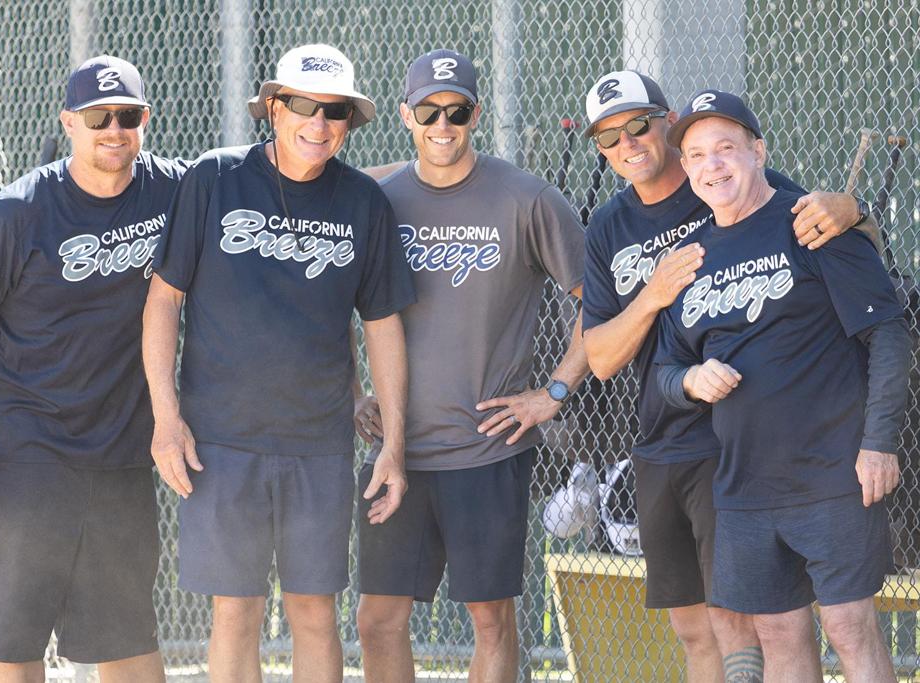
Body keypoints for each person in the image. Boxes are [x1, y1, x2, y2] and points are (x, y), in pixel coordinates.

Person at [580, 70, 877, 682]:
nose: (628, 143)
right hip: (662, 434)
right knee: (696, 628)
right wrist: (653, 294)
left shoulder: (725, 177)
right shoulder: (609, 225)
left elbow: (834, 229)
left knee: (758, 624)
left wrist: (855, 206)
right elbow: (602, 358)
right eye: (609, 137)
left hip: (734, 444)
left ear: (667, 123)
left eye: (639, 125)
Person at [142, 44, 415, 683]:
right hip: (220, 441)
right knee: (235, 612)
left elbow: (382, 327)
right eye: (302, 106)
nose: (318, 123)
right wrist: (166, 419)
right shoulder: (214, 179)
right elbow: (163, 301)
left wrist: (394, 446)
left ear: (348, 121)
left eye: (334, 111)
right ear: (272, 107)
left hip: (318, 444)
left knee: (314, 613)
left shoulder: (363, 203)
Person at [0, 55, 182, 682]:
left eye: (127, 116)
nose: (113, 130)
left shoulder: (173, 190)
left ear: (145, 120)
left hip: (119, 459)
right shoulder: (17, 213)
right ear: (69, 122)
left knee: (127, 641)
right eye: (97, 117)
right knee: (11, 645)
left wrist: (403, 179)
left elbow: (270, 177)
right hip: (23, 457)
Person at [655, 89, 909, 683]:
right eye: (698, 155)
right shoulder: (691, 257)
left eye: (726, 148)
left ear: (759, 152)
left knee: (849, 626)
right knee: (777, 634)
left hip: (834, 473)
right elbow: (665, 370)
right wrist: (691, 380)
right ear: (685, 167)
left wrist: (879, 444)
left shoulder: (813, 223)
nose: (713, 165)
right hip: (744, 485)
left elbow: (889, 333)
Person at [353, 49, 588, 683]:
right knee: (377, 619)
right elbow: (322, 298)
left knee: (492, 621)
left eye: (456, 112)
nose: (442, 125)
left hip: (486, 449)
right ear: (405, 114)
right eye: (428, 111)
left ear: (475, 114)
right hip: (396, 450)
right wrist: (352, 393)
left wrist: (554, 391)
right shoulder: (377, 200)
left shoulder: (527, 198)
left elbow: (599, 302)